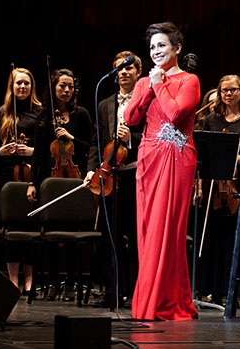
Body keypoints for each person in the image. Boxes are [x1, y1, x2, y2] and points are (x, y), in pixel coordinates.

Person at [124, 21, 200, 321]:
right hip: (148, 158)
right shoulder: (144, 82)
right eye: (152, 46)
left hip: (176, 156)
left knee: (167, 230)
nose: (156, 51)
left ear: (177, 48)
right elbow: (130, 118)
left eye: (162, 46)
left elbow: (176, 113)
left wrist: (158, 84)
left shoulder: (189, 80)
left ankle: (164, 301)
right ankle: (154, 299)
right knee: (146, 231)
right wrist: (147, 87)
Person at [27, 68, 94, 302]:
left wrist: (71, 137)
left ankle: (72, 284)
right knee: (52, 235)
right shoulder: (44, 117)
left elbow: (91, 145)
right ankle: (54, 282)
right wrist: (32, 183)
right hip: (50, 180)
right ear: (53, 88)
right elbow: (37, 155)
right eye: (61, 86)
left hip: (75, 179)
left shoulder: (81, 114)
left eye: (70, 87)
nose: (66, 90)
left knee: (74, 235)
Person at [199, 75, 240, 305]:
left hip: (239, 185)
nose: (228, 94)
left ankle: (234, 291)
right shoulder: (211, 120)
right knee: (214, 239)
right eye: (224, 90)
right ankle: (213, 290)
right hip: (214, 187)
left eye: (232, 90)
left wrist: (233, 158)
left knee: (233, 239)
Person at [85, 51, 143, 307]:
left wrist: (131, 137)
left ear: (138, 73)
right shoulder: (105, 104)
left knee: (135, 237)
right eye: (119, 68)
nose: (124, 72)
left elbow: (155, 138)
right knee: (110, 236)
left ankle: (135, 293)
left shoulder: (146, 102)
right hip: (109, 176)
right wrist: (91, 168)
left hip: (135, 176)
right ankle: (112, 292)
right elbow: (95, 141)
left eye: (129, 68)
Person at [0, 67, 41, 294]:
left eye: (26, 84)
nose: (22, 87)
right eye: (18, 83)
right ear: (12, 87)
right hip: (7, 177)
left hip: (31, 175)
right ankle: (12, 280)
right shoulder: (3, 113)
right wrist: (0, 151)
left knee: (29, 225)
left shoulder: (40, 112)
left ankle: (29, 279)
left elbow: (46, 149)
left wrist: (31, 151)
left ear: (32, 87)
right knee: (10, 228)